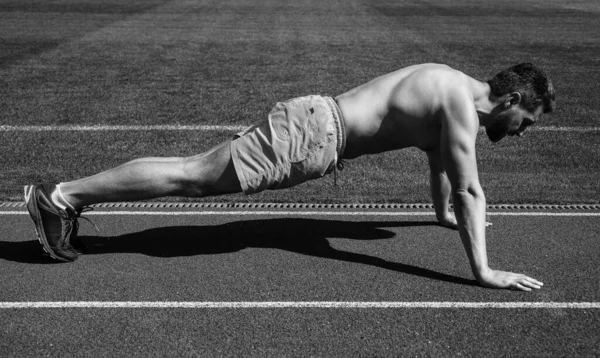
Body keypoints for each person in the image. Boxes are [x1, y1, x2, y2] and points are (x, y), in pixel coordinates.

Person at [24, 62, 554, 291]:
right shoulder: (461, 102)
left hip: (313, 129)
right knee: (194, 176)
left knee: (197, 174)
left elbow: (442, 165)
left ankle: (64, 199)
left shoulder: (451, 91)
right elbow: (469, 187)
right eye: (525, 121)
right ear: (512, 98)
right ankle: (61, 198)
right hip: (312, 136)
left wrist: (441, 215)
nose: (522, 131)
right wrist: (483, 271)